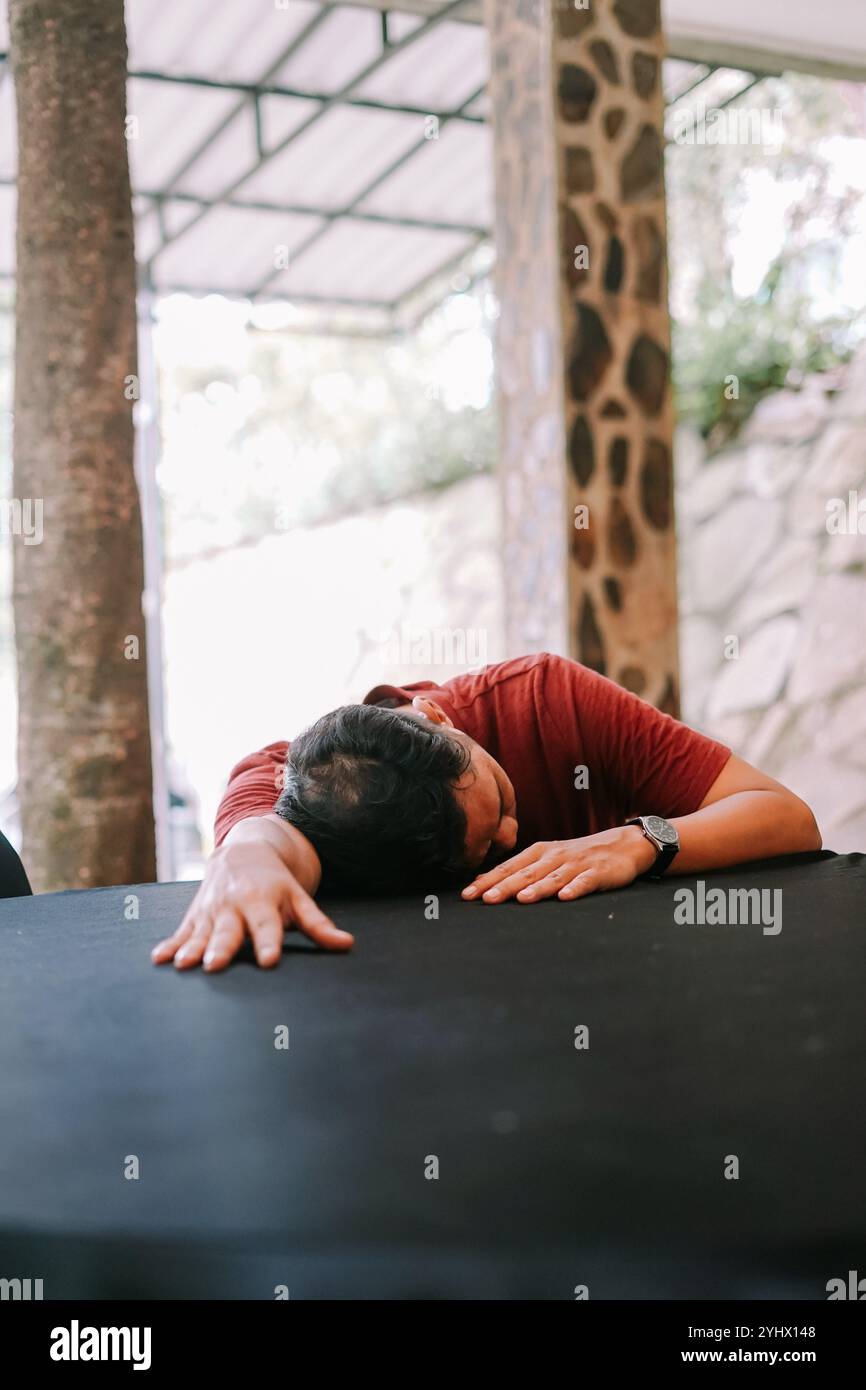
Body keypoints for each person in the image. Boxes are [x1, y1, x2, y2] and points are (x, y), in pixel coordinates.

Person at [152, 653, 821, 974]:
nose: (512, 833)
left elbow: (787, 817)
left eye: (498, 801)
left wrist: (640, 841)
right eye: (480, 848)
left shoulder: (546, 698)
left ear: (437, 718)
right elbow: (262, 840)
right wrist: (239, 858)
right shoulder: (306, 790)